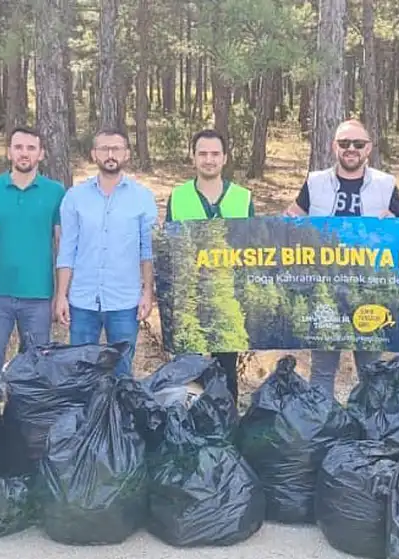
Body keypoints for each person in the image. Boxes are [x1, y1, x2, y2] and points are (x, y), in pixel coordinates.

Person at [283, 119, 399, 398]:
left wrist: (397, 225)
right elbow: (290, 221)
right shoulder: (315, 183)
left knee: (370, 368)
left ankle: (369, 429)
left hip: (369, 290)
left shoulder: (386, 185)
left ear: (369, 149)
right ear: (333, 146)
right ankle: (320, 428)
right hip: (325, 289)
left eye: (358, 144)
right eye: (344, 143)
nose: (351, 149)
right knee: (323, 369)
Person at [55, 128, 157, 379]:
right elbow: (67, 249)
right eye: (104, 149)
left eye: (116, 149)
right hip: (82, 300)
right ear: (94, 155)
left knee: (121, 372)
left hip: (124, 301)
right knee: (81, 371)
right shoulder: (75, 197)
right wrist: (61, 295)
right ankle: (86, 418)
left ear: (127, 155)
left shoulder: (142, 197)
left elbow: (147, 251)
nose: (110, 154)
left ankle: (119, 417)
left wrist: (147, 292)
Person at [0, 126, 66, 385]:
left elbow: (62, 244)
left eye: (31, 148)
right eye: (19, 147)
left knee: (35, 370)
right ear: (8, 152)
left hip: (38, 295)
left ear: (41, 154)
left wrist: (61, 294)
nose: (25, 153)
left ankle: (26, 422)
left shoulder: (55, 192)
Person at [165, 129, 253, 400]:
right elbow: (170, 249)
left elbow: (252, 251)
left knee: (225, 373)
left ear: (225, 158)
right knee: (187, 372)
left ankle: (226, 429)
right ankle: (188, 429)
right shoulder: (178, 196)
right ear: (193, 158)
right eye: (202, 153)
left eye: (215, 154)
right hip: (189, 301)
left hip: (228, 301)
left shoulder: (243, 197)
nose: (209, 159)